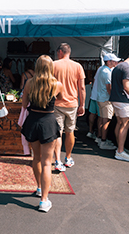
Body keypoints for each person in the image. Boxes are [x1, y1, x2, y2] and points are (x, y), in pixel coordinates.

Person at [21, 55, 63, 213]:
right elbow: (60, 99)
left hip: (32, 121)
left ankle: (39, 187)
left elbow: (24, 104)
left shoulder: (29, 83)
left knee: (36, 158)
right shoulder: (57, 84)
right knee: (47, 162)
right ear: (50, 67)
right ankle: (44, 200)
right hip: (48, 122)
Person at [52, 43, 85, 172]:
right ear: (69, 52)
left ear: (60, 52)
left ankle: (57, 160)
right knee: (70, 131)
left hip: (56, 103)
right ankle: (68, 157)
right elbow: (81, 87)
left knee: (57, 133)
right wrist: (82, 104)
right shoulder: (77, 66)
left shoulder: (53, 65)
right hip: (72, 104)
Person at [94, 53, 120, 150]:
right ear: (109, 62)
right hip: (105, 99)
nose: (116, 62)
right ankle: (103, 142)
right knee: (106, 121)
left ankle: (99, 138)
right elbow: (109, 88)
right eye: (114, 61)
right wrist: (113, 98)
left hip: (100, 98)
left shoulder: (102, 69)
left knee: (101, 119)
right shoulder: (107, 72)